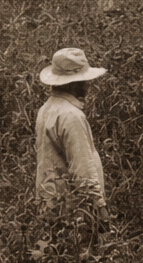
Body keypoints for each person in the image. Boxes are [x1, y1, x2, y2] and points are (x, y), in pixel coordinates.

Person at [35, 47, 109, 219]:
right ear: (74, 83)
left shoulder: (46, 109)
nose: (87, 85)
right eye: (84, 80)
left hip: (50, 202)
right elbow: (82, 167)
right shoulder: (71, 116)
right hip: (72, 210)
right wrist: (99, 207)